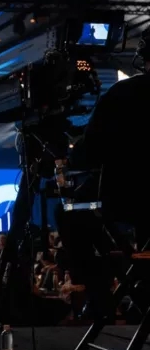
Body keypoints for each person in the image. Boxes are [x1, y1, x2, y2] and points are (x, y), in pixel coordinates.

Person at [61, 36, 150, 317]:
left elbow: (88, 153)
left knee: (68, 212)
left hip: (128, 198)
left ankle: (99, 295)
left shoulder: (124, 92)